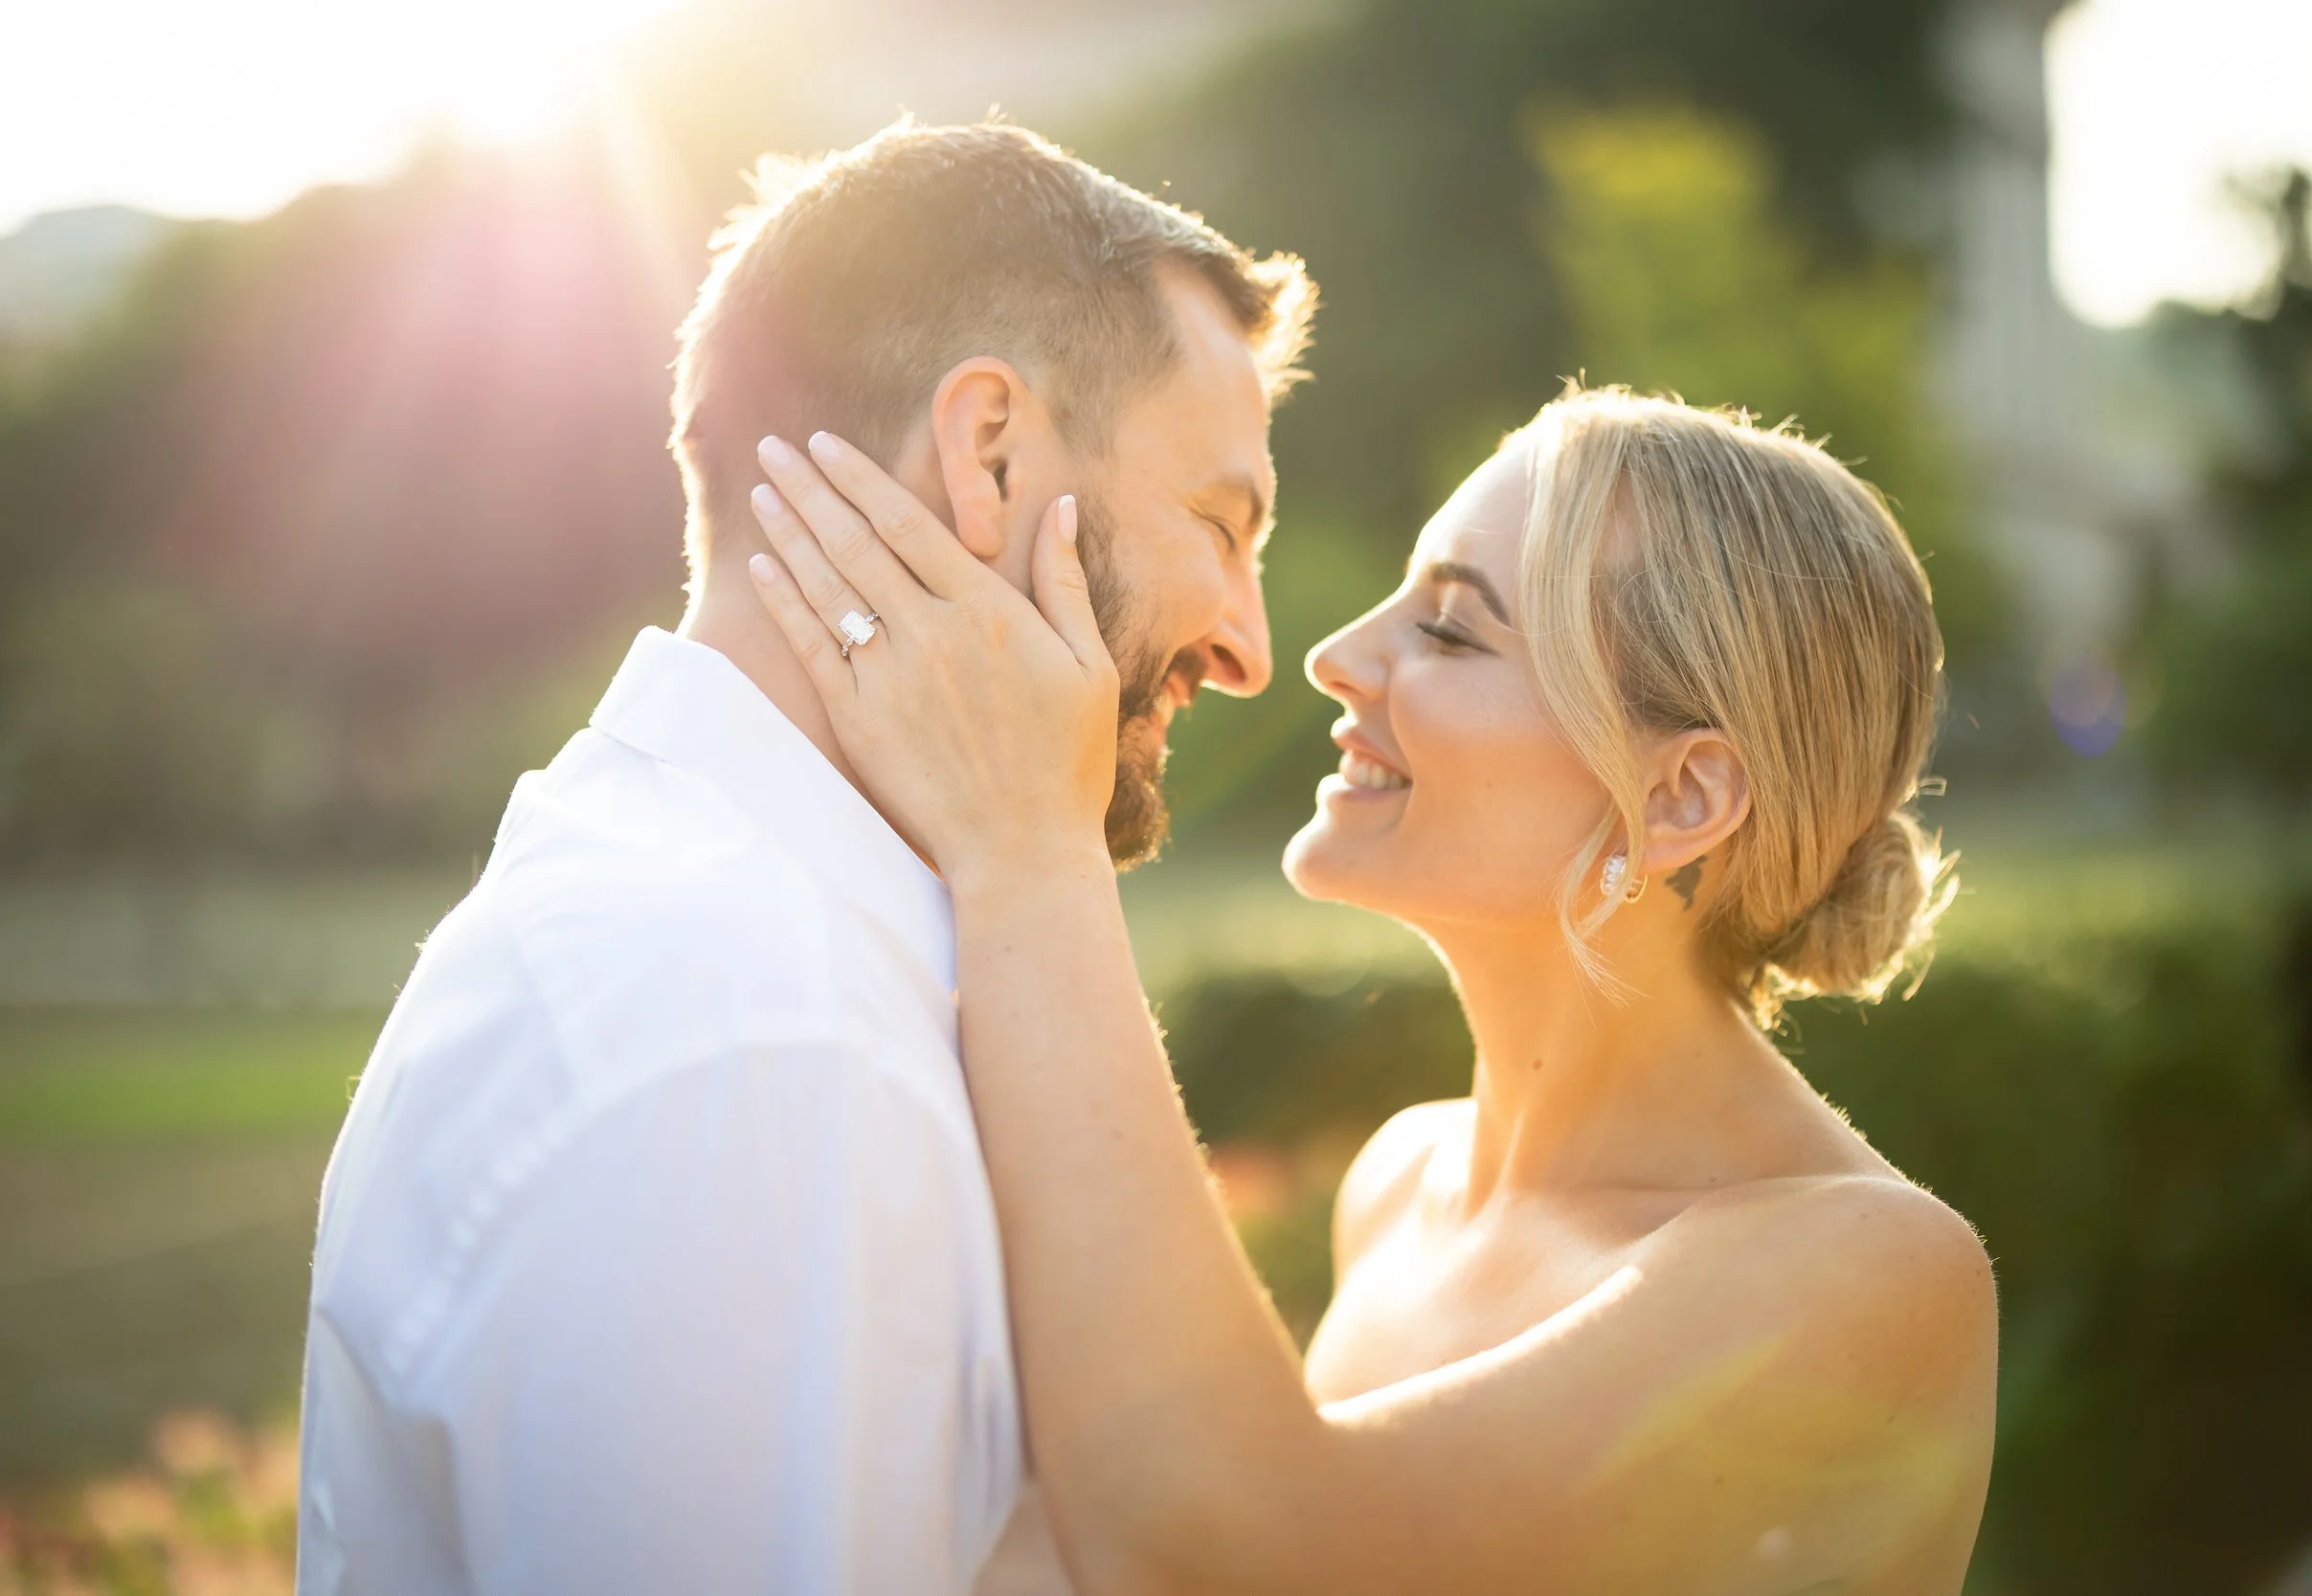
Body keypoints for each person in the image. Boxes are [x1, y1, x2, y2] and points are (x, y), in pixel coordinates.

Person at [741, 384, 2001, 1594]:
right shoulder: (1401, 1183)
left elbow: (1229, 1553)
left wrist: (1030, 839)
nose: (1334, 657)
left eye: (1449, 630)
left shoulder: (1879, 1274)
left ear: (1680, 797)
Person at [295, 121, 1313, 1595]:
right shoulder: (750, 1031)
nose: (1248, 646)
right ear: (990, 450)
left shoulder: (729, 934)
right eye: (1221, 524)